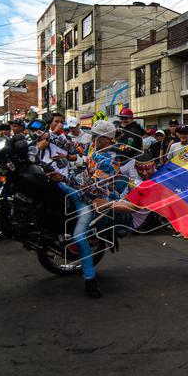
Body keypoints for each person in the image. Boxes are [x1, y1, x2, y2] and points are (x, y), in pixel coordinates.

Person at [53, 119, 136, 299]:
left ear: (106, 139)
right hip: (78, 190)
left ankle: (89, 280)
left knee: (79, 237)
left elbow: (93, 191)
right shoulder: (95, 149)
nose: (93, 139)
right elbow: (74, 149)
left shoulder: (109, 161)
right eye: (93, 136)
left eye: (96, 136)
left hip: (87, 200)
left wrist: (66, 180)